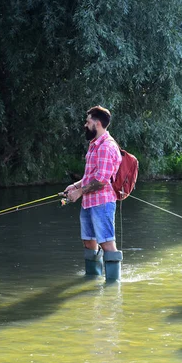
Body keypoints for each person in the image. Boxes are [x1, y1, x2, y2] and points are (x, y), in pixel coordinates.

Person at [63, 106, 123, 280]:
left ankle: (113, 285)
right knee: (89, 242)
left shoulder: (106, 146)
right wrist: (74, 186)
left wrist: (79, 192)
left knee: (106, 242)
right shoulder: (94, 145)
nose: (85, 125)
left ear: (97, 124)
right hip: (89, 202)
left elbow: (102, 180)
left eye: (87, 122)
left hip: (102, 203)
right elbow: (91, 176)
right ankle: (92, 280)